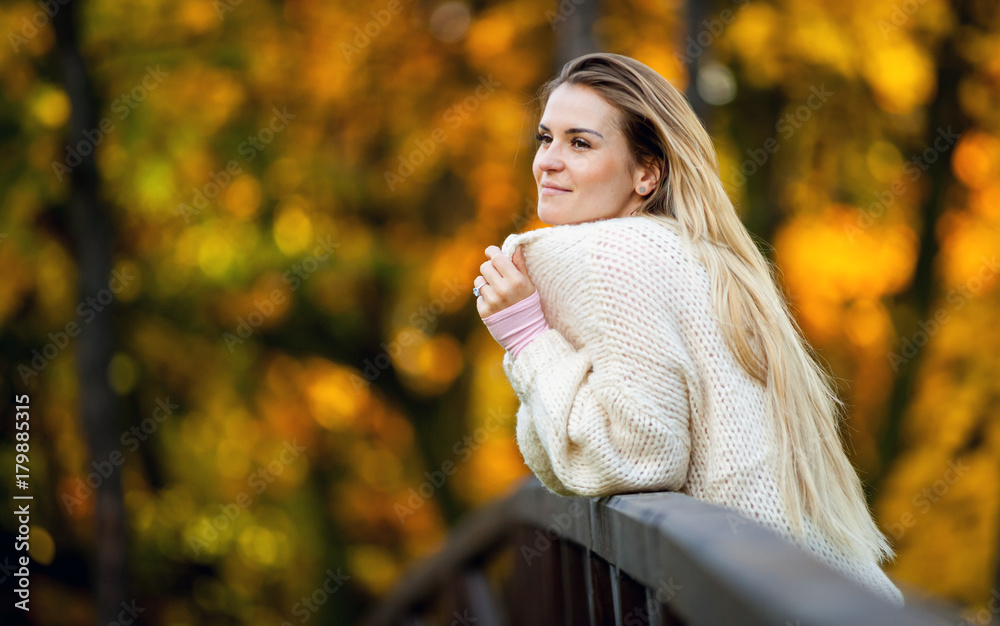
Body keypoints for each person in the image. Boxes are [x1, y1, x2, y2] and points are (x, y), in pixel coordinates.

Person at [471, 52, 906, 607]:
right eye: (545, 138)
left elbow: (639, 454)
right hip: (824, 594)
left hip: (760, 601)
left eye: (580, 143)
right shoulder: (683, 252)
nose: (547, 162)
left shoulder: (613, 254)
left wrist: (529, 338)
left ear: (646, 173)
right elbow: (567, 458)